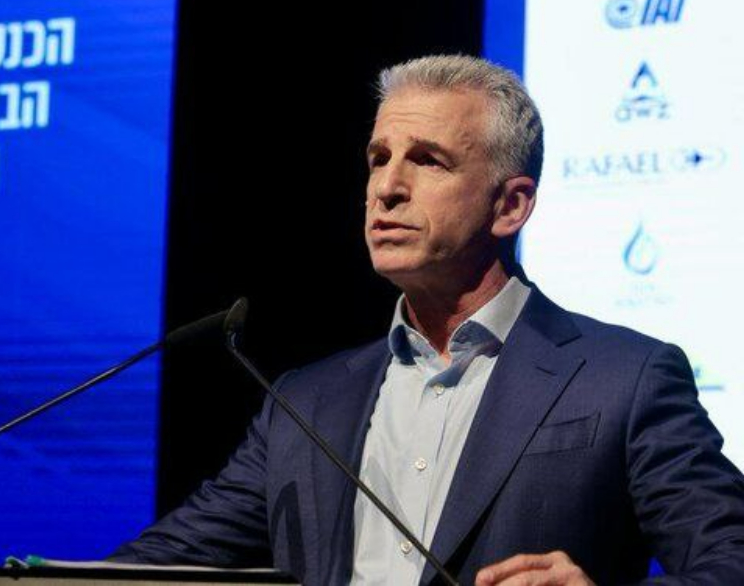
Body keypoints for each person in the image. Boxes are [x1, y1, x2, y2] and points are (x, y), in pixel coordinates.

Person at [109, 55, 744, 585]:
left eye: (428, 161)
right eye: (378, 157)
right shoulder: (305, 402)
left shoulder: (624, 380)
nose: (386, 188)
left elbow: (731, 560)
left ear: (510, 206)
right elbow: (152, 569)